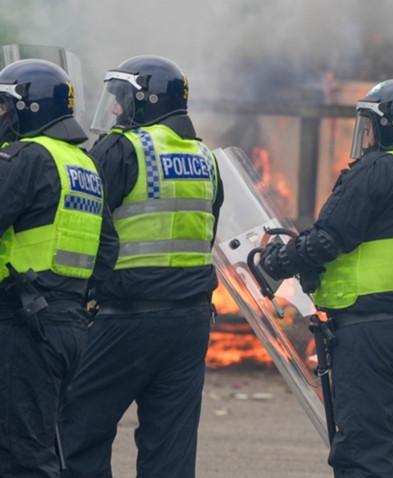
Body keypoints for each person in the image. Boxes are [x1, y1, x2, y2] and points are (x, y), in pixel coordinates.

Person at [258, 78, 393, 477]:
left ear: (390, 125)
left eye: (369, 123)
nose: (365, 134)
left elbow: (328, 239)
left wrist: (275, 262)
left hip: (369, 335)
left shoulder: (378, 170)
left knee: (363, 451)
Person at [59, 55, 223, 478]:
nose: (115, 109)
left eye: (122, 99)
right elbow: (208, 233)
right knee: (171, 445)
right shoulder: (206, 158)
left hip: (126, 317)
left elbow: (85, 223)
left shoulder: (123, 147)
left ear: (146, 99)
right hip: (189, 322)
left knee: (78, 431)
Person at [0, 59, 116, 477]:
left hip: (22, 324)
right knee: (43, 445)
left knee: (18, 456)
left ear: (29, 109)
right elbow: (107, 251)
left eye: (4, 106)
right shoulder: (84, 164)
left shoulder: (26, 157)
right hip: (66, 325)